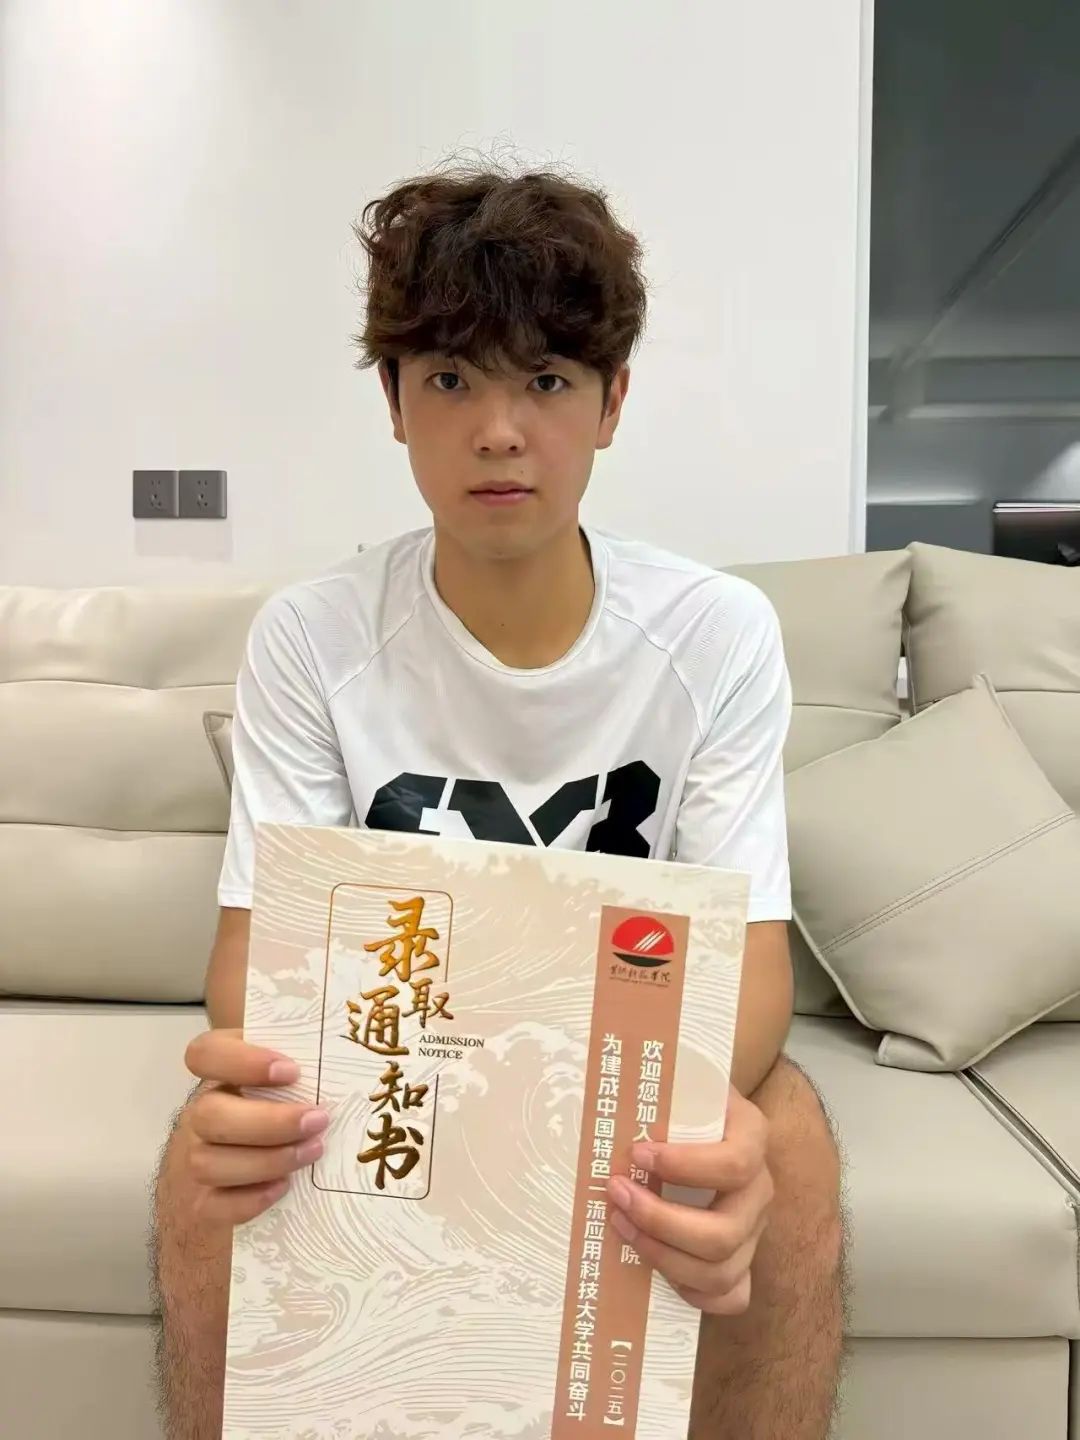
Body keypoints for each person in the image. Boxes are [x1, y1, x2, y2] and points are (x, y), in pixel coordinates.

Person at [153, 164, 845, 1439]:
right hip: (390, 1058)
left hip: (623, 1064)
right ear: (395, 403)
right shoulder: (313, 637)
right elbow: (256, 961)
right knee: (213, 1152)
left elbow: (750, 967)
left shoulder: (717, 632)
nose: (499, 431)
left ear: (612, 401)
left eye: (548, 381)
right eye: (451, 380)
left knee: (784, 1135)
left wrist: (585, 1117)